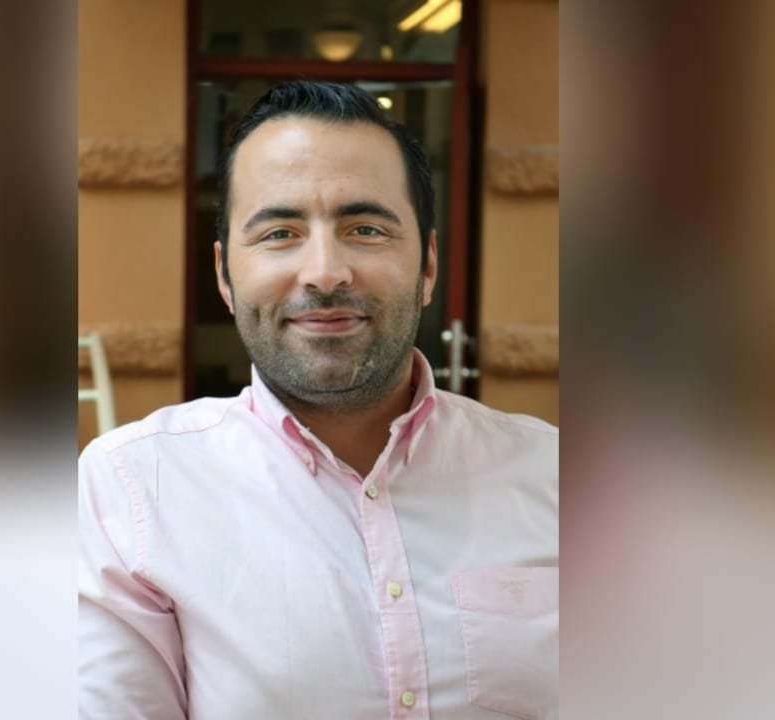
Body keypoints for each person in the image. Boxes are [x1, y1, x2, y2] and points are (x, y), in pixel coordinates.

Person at [79, 81, 558, 719]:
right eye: (280, 232)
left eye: (366, 229)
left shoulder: (555, 477)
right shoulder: (135, 490)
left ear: (427, 266)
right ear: (224, 275)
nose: (325, 272)